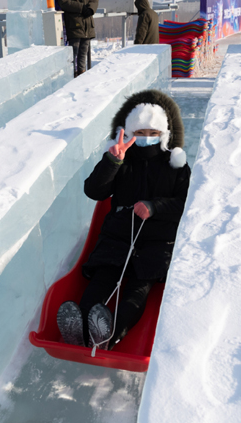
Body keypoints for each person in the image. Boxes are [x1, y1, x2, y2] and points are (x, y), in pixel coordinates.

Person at [57, 89, 191, 351]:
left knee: (138, 289)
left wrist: (155, 206)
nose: (147, 138)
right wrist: (112, 161)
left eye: (153, 133)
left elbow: (186, 203)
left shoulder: (176, 166)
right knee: (104, 277)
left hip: (157, 241)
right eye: (140, 133)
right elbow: (94, 191)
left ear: (163, 134)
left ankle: (109, 335)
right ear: (130, 133)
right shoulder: (122, 159)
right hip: (119, 236)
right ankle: (80, 327)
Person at [58, 0, 99, 77]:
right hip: (75, 26)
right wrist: (82, 7)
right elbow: (64, 1)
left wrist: (91, 9)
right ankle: (70, 76)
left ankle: (82, 75)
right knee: (73, 54)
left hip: (87, 26)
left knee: (83, 54)